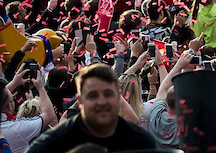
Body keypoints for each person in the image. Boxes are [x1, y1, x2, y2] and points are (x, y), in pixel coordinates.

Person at [26, 64, 158, 153]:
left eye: (108, 94)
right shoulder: (53, 143)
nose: (101, 102)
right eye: (93, 95)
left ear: (119, 97)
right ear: (80, 101)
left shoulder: (140, 142)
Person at [0, 73, 56, 153]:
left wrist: (14, 83)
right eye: (13, 98)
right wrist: (40, 87)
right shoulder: (17, 128)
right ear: (10, 106)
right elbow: (49, 115)